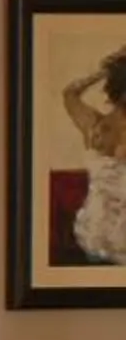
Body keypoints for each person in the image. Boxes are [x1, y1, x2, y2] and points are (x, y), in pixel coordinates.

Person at [61, 48, 126, 262]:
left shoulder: (95, 126)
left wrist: (104, 71)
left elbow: (70, 93)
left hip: (94, 236)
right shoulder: (97, 125)